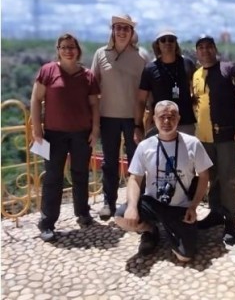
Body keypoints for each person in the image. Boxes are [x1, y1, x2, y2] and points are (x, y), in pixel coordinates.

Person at [115, 100, 212, 261]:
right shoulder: (145, 146)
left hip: (180, 207)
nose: (167, 121)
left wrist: (194, 206)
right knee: (121, 218)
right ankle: (150, 230)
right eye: (162, 117)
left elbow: (204, 176)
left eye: (171, 117)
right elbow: (135, 178)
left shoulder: (192, 144)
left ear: (179, 119)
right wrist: (132, 206)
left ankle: (175, 231)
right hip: (153, 203)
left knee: (185, 257)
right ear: (154, 118)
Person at [31, 33, 100, 242]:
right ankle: (47, 222)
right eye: (64, 47)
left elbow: (94, 105)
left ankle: (83, 213)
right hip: (53, 134)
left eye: (72, 47)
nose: (68, 50)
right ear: (58, 50)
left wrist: (95, 130)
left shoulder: (88, 75)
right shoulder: (47, 71)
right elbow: (35, 100)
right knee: (53, 178)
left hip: (81, 133)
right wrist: (37, 131)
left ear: (78, 50)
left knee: (80, 174)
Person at [192, 35, 235, 245]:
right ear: (196, 52)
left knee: (228, 179)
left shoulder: (229, 69)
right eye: (200, 48)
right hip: (205, 138)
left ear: (215, 49)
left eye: (209, 47)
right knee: (212, 178)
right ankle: (216, 213)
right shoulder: (196, 75)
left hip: (227, 135)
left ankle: (231, 222)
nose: (205, 51)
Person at [91, 14, 146, 220]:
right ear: (112, 30)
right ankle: (109, 202)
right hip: (108, 117)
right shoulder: (100, 54)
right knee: (109, 162)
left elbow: (146, 90)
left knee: (136, 163)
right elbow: (93, 86)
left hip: (134, 119)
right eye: (118, 27)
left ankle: (136, 203)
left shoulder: (141, 56)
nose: (122, 31)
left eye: (126, 28)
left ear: (132, 32)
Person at [134, 30, 196, 141]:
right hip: (160, 124)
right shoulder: (150, 69)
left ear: (176, 43)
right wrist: (138, 126)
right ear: (157, 44)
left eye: (171, 39)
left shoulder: (188, 64)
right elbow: (141, 100)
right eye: (163, 40)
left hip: (186, 123)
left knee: (186, 158)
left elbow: (197, 89)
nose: (168, 43)